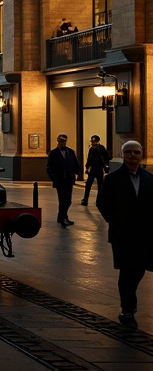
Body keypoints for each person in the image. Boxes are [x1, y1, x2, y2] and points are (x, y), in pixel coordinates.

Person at [96, 140, 153, 328]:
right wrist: (115, 221)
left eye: (136, 152)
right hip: (123, 234)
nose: (132, 155)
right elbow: (102, 203)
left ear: (141, 154)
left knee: (139, 270)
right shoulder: (113, 178)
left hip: (145, 234)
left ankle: (129, 303)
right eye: (128, 152)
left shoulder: (149, 178)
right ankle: (128, 309)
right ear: (123, 154)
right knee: (127, 271)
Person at [46, 132, 81, 226]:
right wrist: (54, 178)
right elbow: (49, 167)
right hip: (60, 180)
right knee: (63, 200)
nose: (62, 143)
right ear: (57, 142)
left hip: (69, 179)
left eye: (64, 141)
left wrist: (77, 172)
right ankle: (64, 218)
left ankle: (61, 216)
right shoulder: (53, 153)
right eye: (60, 141)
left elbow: (75, 163)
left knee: (68, 200)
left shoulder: (70, 151)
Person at [82, 134, 110, 205]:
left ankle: (99, 199)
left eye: (93, 141)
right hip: (93, 169)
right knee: (88, 184)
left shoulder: (101, 148)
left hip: (99, 169)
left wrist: (104, 166)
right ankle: (85, 199)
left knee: (100, 185)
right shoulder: (91, 149)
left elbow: (107, 157)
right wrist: (87, 166)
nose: (92, 143)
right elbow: (89, 159)